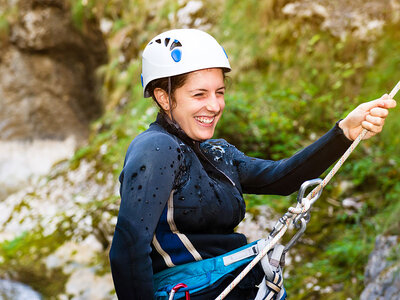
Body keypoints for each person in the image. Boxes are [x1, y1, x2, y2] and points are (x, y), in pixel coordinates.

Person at [109, 29, 396, 299]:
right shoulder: (156, 147)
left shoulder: (217, 154)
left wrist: (344, 132)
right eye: (199, 94)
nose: (214, 105)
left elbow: (282, 179)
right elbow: (128, 247)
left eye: (219, 92)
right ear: (163, 97)